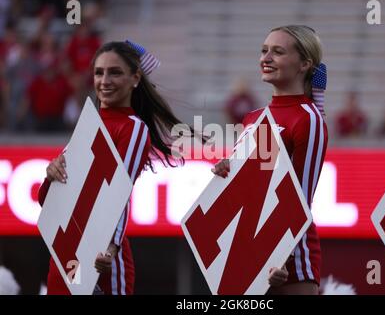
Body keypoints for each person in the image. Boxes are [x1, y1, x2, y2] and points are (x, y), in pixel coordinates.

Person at [38, 40, 188, 295]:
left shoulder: (133, 127)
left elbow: (118, 193)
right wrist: (50, 175)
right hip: (64, 256)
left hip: (102, 257)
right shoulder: (88, 124)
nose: (104, 80)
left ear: (135, 79)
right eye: (99, 72)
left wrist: (112, 246)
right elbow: (46, 202)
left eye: (115, 72)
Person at [212, 25, 328, 295]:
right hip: (245, 249)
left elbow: (299, 199)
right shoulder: (253, 118)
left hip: (290, 260)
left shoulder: (308, 118)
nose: (266, 58)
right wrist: (226, 172)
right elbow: (249, 186)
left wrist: (280, 256)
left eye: (277, 52)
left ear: (304, 64)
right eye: (264, 51)